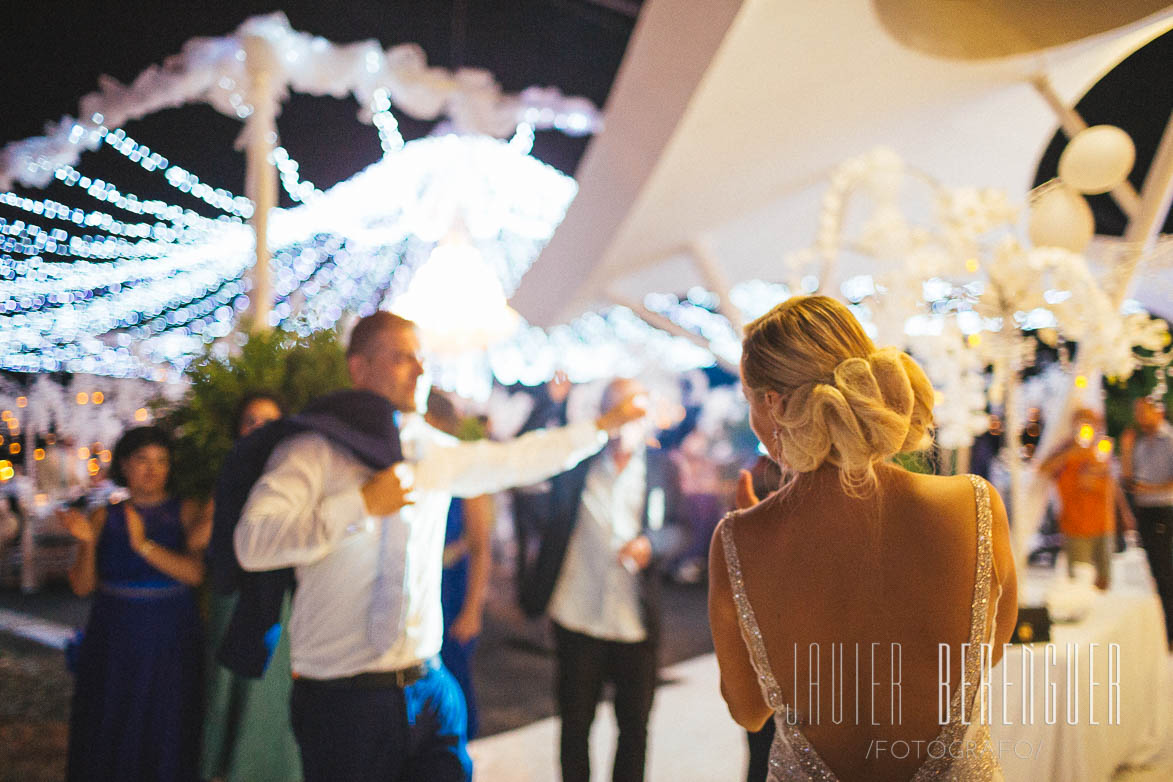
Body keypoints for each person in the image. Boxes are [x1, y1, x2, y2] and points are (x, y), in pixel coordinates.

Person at [233, 311, 645, 782]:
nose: (420, 370)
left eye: (421, 358)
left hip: (429, 684)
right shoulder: (314, 451)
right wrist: (360, 504)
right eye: (402, 358)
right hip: (342, 701)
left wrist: (602, 426)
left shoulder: (431, 449)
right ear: (359, 368)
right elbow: (253, 542)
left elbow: (516, 460)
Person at [709, 295, 1018, 782]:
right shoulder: (974, 507)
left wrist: (755, 560)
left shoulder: (736, 541)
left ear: (773, 404)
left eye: (750, 400)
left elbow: (749, 711)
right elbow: (987, 653)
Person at [520, 377, 685, 782]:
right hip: (577, 615)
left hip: (634, 621)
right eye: (620, 408)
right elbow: (525, 457)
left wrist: (652, 543)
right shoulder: (577, 464)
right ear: (605, 413)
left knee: (634, 728)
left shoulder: (662, 466)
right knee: (575, 726)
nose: (629, 417)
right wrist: (547, 403)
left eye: (636, 408)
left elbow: (681, 528)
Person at [62, 426, 210, 782]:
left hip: (169, 632)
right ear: (125, 466)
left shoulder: (185, 511)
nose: (152, 469)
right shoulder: (104, 516)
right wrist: (85, 544)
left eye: (161, 461)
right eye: (142, 460)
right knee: (112, 714)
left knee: (166, 715)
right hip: (115, 634)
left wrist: (143, 545)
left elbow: (195, 574)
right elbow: (82, 587)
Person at [201, 390, 302, 782]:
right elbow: (202, 540)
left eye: (269, 422)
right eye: (251, 421)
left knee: (273, 698)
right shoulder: (229, 475)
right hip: (234, 595)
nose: (259, 429)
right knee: (228, 689)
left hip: (282, 602)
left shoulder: (297, 477)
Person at [424, 390, 494, 740]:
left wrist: (472, 610)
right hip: (420, 588)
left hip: (451, 589)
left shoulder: (463, 474)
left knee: (453, 684)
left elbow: (481, 547)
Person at [1038, 408, 1133, 590]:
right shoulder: (1065, 448)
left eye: (1090, 422)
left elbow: (1112, 484)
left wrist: (1124, 513)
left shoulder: (1101, 448)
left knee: (1104, 578)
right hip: (1076, 524)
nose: (1086, 427)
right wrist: (1071, 453)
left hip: (1103, 523)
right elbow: (1043, 469)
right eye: (1082, 422)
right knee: (1079, 578)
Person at [1121, 396, 1173, 645]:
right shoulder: (1141, 443)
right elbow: (1129, 482)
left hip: (1165, 510)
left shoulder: (1169, 440)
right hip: (1146, 512)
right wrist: (1126, 450)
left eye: (1144, 411)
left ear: (1157, 411)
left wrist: (1148, 489)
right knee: (1154, 572)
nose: (1140, 417)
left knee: (1167, 571)